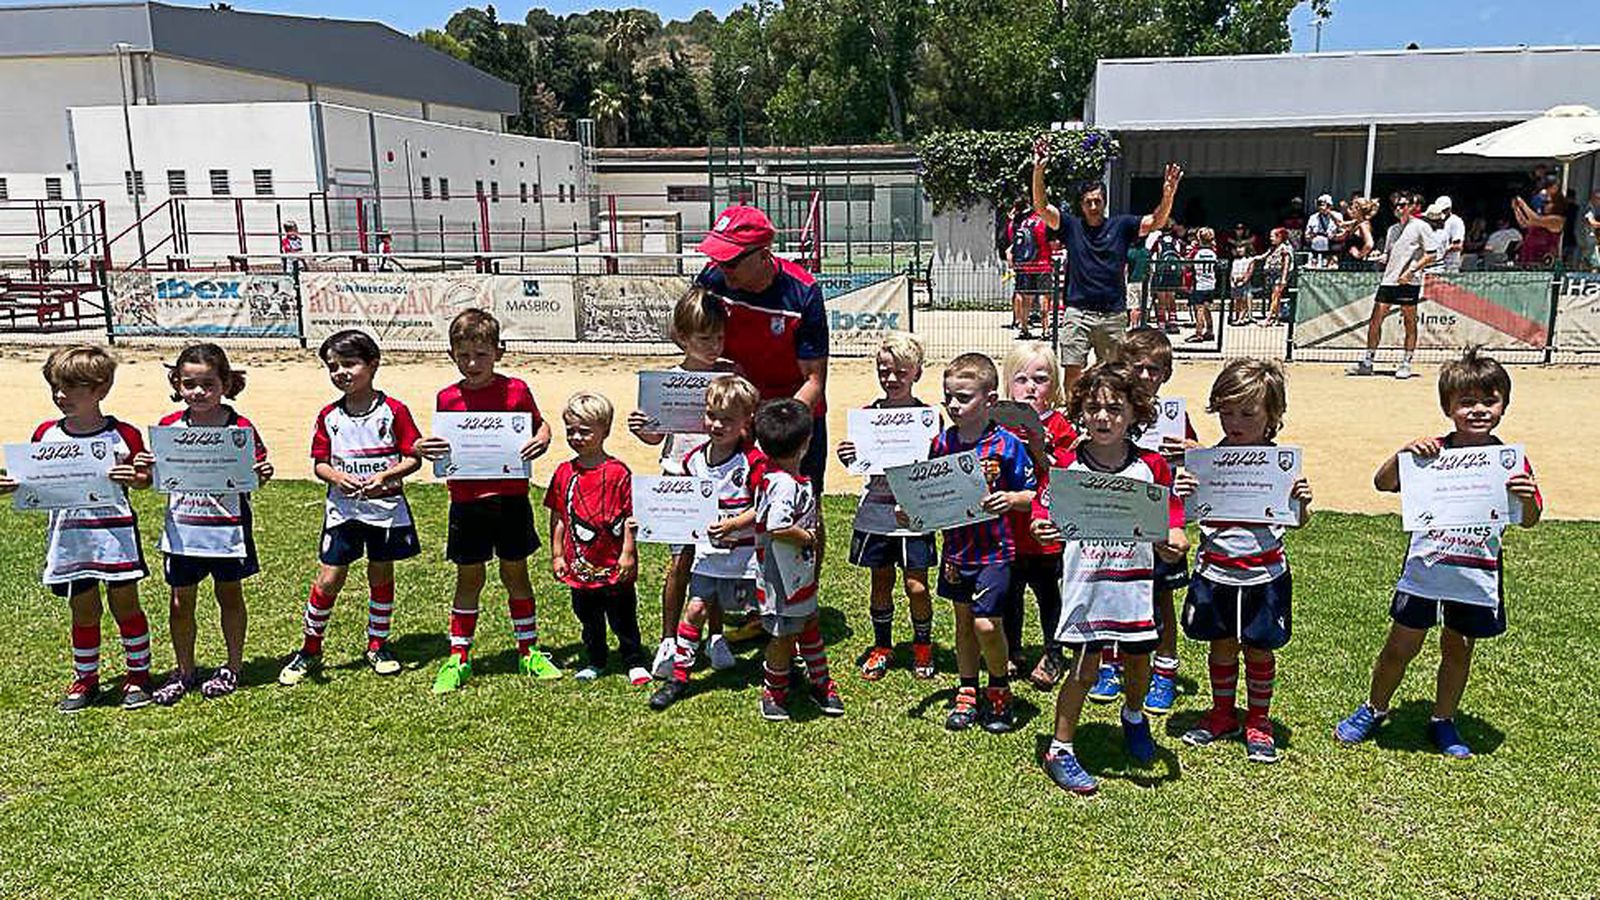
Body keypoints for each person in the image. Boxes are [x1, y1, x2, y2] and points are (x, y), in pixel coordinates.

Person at [1335, 348, 1542, 759]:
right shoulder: (1431, 453)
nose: (1478, 410)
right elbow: (1383, 483)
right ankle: (1374, 708)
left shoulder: (1509, 461)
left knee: (1458, 649)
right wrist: (1404, 453)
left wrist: (1527, 496)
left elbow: (1530, 519)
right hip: (1426, 569)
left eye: (1489, 401)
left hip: (1475, 573)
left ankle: (1443, 720)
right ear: (1448, 407)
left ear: (1504, 405)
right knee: (1400, 647)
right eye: (1466, 402)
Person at [1030, 363, 1188, 795]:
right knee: (1084, 669)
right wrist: (1041, 526)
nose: (1102, 418)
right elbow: (1043, 510)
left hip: (1135, 586)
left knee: (1138, 662)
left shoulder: (1152, 466)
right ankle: (1060, 749)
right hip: (1087, 584)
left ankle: (1134, 718)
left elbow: (1172, 520)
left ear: (1135, 412)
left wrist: (1174, 541)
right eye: (1093, 408)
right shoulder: (1067, 464)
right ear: (1080, 410)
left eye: (1115, 409)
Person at [1172, 359, 1313, 764]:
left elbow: (1299, 521)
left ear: (1273, 415)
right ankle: (1222, 713)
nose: (1235, 422)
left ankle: (1258, 719)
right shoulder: (1205, 462)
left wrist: (1302, 503)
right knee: (1221, 646)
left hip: (1264, 574)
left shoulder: (1280, 465)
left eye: (1248, 414)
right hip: (1215, 571)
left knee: (1259, 649)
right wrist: (1183, 492)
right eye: (1227, 412)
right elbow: (1188, 515)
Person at [0, 346, 154, 712]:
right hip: (70, 538)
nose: (60, 395)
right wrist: (13, 486)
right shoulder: (45, 434)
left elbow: (145, 480)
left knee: (126, 606)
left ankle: (139, 675)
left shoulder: (123, 434)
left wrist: (136, 477)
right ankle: (86, 679)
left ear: (101, 389)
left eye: (71, 388)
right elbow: (34, 482)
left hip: (114, 536)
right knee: (83, 609)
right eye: (55, 387)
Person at [416, 308, 556, 693]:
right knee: (470, 578)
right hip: (467, 500)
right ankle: (459, 657)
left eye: (481, 354)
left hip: (511, 497)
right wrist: (424, 448)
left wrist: (543, 437)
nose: (473, 363)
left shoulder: (517, 390)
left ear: (498, 352)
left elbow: (539, 423)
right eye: (463, 356)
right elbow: (442, 443)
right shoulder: (447, 398)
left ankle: (529, 651)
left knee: (516, 574)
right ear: (451, 355)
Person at [279, 330, 423, 687]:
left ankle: (378, 645)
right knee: (330, 578)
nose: (341, 372)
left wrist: (386, 476)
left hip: (385, 510)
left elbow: (413, 457)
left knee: (380, 574)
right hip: (343, 511)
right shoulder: (329, 415)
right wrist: (337, 477)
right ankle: (310, 649)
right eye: (333, 366)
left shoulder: (394, 411)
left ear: (373, 364)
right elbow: (320, 463)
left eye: (349, 364)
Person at [694, 205, 830, 558]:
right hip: (737, 413)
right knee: (735, 499)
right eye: (717, 258)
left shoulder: (803, 292)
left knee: (804, 506)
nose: (721, 268)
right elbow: (690, 336)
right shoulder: (711, 280)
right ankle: (742, 583)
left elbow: (814, 380)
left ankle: (806, 586)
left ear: (763, 254)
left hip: (791, 416)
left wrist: (775, 426)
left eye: (730, 261)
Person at [141, 344, 273, 704]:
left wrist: (262, 473)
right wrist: (146, 468)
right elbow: (154, 476)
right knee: (180, 602)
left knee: (229, 595)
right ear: (177, 384)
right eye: (189, 384)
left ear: (225, 384)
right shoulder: (168, 428)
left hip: (227, 528)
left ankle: (233, 666)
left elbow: (255, 475)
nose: (198, 392)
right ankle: (184, 670)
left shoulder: (240, 428)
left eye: (208, 384)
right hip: (183, 529)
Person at [920, 353, 1036, 733]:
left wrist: (1012, 499)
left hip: (994, 551)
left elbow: (1033, 493)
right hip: (956, 551)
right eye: (948, 397)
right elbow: (931, 496)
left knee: (987, 624)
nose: (953, 405)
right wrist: (913, 512)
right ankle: (967, 689)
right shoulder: (941, 444)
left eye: (963, 398)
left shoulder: (1007, 445)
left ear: (990, 400)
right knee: (964, 623)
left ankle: (999, 688)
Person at [628, 288, 740, 679]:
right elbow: (656, 437)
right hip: (678, 478)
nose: (714, 346)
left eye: (719, 337)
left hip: (720, 480)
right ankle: (668, 639)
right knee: (680, 562)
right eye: (704, 338)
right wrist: (643, 428)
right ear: (682, 337)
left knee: (717, 563)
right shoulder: (667, 382)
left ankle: (716, 636)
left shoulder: (730, 375)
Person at [1031, 138, 1184, 395]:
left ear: (1104, 202)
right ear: (1081, 205)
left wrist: (1168, 194)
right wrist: (1038, 170)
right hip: (1077, 312)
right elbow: (1042, 207)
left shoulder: (1122, 226)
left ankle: (1110, 411)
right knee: (1073, 369)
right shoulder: (1071, 226)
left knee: (1114, 372)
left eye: (1098, 201)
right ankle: (1074, 412)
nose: (1093, 206)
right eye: (1088, 202)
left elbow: (1156, 221)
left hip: (1113, 314)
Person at [649, 375, 765, 710]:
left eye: (727, 419)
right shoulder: (692, 461)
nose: (716, 425)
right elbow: (683, 507)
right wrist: (653, 520)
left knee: (771, 613)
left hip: (748, 560)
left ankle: (786, 668)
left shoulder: (753, 461)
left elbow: (765, 506)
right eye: (712, 415)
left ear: (746, 421)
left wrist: (734, 524)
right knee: (696, 608)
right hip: (708, 556)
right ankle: (679, 678)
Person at [836, 332, 938, 681]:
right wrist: (849, 455)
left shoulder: (927, 418)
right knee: (880, 582)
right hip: (876, 513)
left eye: (901, 372)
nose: (891, 378)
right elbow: (859, 464)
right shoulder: (868, 417)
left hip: (912, 515)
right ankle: (882, 646)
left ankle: (922, 645)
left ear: (917, 373)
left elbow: (935, 462)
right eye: (884, 371)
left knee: (916, 586)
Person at [1111, 328, 1199, 716]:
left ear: (1167, 374)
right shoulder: (1110, 409)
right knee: (1113, 590)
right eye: (1138, 367)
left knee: (1161, 599)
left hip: (1161, 521)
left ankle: (1164, 671)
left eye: (1155, 369)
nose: (1146, 376)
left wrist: (1196, 453)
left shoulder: (1174, 417)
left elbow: (1200, 467)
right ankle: (1111, 664)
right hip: (1118, 521)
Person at [751, 398, 843, 721]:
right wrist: (806, 537)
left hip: (795, 572)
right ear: (806, 443)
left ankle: (820, 681)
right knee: (783, 634)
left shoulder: (777, 476)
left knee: (809, 622)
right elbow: (777, 526)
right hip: (781, 577)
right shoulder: (783, 485)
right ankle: (774, 690)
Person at [546, 392, 646, 684]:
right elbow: (559, 516)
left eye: (585, 431)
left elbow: (629, 518)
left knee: (623, 615)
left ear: (605, 431)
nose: (576, 437)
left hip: (615, 563)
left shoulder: (619, 472)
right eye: (571, 431)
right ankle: (596, 659)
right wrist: (557, 554)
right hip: (581, 565)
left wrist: (628, 553)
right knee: (588, 617)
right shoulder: (564, 472)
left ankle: (633, 659)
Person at [996, 341, 1078, 690]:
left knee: (1049, 597)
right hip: (1008, 531)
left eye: (1041, 379)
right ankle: (1012, 649)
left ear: (1054, 386)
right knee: (1010, 595)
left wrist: (1041, 448)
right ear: (1008, 385)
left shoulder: (1061, 427)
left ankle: (1053, 652)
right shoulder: (997, 424)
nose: (1030, 387)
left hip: (1045, 533)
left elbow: (1065, 475)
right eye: (1021, 379)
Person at [1348, 197, 1438, 380]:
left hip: (1408, 282)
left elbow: (1432, 254)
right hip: (1389, 280)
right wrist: (1380, 257)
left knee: (1409, 322)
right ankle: (1368, 361)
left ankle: (1406, 363)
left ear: (1411, 207)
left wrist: (1411, 271)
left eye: (1402, 205)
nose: (1398, 208)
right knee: (1375, 320)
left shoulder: (1421, 226)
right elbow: (1388, 254)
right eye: (1395, 205)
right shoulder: (1392, 230)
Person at [1006, 194, 1054, 339]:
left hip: (1026, 265)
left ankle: (1024, 328)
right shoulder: (1044, 222)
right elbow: (1052, 244)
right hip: (1043, 264)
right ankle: (1045, 330)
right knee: (1044, 296)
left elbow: (1014, 242)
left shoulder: (1023, 223)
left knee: (1026, 297)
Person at [1147, 223, 1187, 335]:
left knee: (1161, 299)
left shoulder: (1158, 241)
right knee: (1171, 297)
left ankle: (1162, 323)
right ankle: (1173, 322)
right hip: (1173, 273)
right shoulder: (1177, 241)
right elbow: (1181, 254)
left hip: (1161, 272)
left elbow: (1151, 253)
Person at [1513, 188, 1564, 266]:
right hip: (1528, 257)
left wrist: (1522, 204)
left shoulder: (1557, 220)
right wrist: (1516, 209)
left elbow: (1535, 219)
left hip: (1541, 260)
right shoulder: (1543, 218)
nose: (1544, 205)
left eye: (1547, 203)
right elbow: (1525, 223)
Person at [1186, 226, 1220, 343]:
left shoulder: (1196, 252)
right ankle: (1210, 331)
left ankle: (1198, 333)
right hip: (1211, 283)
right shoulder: (1213, 251)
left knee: (1199, 309)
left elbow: (1188, 264)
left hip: (1199, 283)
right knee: (1206, 308)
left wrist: (1192, 248)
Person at [1260, 227, 1294, 326]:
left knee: (1276, 296)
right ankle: (1277, 319)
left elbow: (1286, 264)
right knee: (1275, 297)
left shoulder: (1285, 248)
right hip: (1271, 275)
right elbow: (1263, 256)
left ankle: (1268, 318)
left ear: (1280, 237)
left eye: (1273, 236)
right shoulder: (1273, 248)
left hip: (1279, 275)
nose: (1271, 238)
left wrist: (1283, 279)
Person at [1427, 196, 1466, 273]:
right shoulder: (1435, 221)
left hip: (1450, 265)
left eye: (1444, 210)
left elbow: (1458, 246)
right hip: (1434, 265)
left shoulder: (1455, 221)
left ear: (1449, 209)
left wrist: (1443, 251)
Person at [1304, 194, 1343, 268]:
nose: (1321, 207)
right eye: (1319, 204)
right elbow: (1307, 235)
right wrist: (1311, 236)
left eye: (1324, 204)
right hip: (1316, 248)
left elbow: (1342, 231)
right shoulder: (1313, 217)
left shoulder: (1338, 216)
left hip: (1332, 248)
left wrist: (1335, 237)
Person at [1341, 197, 1377, 268]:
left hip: (1356, 265)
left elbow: (1369, 244)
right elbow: (1341, 224)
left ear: (1358, 209)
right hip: (1348, 262)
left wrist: (1359, 254)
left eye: (1352, 208)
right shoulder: (1356, 223)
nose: (1351, 211)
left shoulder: (1363, 225)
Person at [1581, 189, 1600, 271]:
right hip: (1587, 238)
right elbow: (1591, 222)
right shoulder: (1589, 208)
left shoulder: (1592, 208)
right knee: (1593, 262)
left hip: (1589, 239)